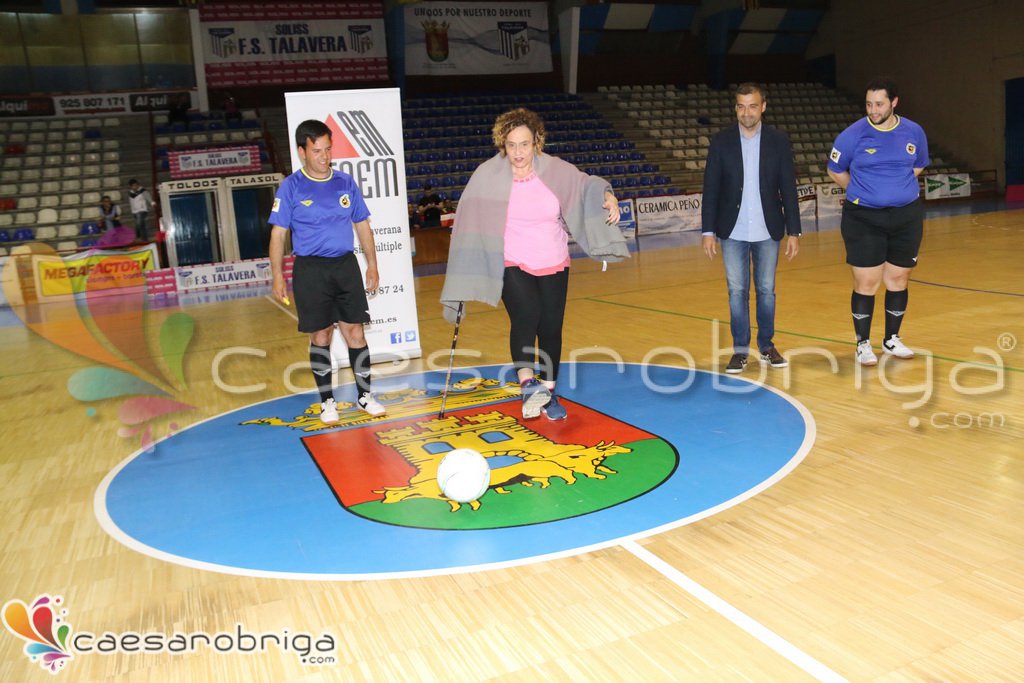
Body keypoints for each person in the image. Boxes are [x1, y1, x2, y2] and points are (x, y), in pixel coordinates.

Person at [440, 108, 628, 421]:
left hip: (554, 259)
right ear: (502, 144)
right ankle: (528, 384)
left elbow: (588, 185)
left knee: (551, 327)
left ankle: (549, 393)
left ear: (536, 143)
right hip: (510, 260)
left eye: (524, 144)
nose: (518, 152)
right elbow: (468, 215)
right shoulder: (487, 175)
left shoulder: (555, 170)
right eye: (511, 145)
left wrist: (608, 196)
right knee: (527, 315)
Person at [268, 119, 386, 423]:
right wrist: (277, 276)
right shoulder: (291, 186)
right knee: (320, 335)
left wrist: (372, 264)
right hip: (310, 270)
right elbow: (278, 235)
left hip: (345, 266)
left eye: (328, 149)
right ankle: (327, 401)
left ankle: (365, 395)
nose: (325, 156)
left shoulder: (345, 182)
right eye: (317, 151)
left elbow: (362, 225)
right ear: (302, 152)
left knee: (354, 331)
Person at [827, 78, 928, 366]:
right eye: (869, 104)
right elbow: (835, 170)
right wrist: (863, 191)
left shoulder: (914, 131)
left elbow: (918, 165)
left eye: (879, 104)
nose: (873, 110)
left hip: (906, 216)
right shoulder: (852, 135)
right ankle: (863, 343)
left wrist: (895, 189)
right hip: (864, 218)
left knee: (898, 279)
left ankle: (891, 339)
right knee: (867, 282)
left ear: (894, 102)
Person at [701, 82, 801, 374]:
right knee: (737, 292)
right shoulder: (721, 141)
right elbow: (711, 187)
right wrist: (708, 231)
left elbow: (788, 187)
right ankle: (740, 351)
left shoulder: (778, 141)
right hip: (732, 230)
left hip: (768, 229)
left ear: (763, 107)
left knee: (767, 291)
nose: (747, 112)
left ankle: (767, 346)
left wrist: (794, 231)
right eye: (741, 106)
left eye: (752, 106)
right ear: (736, 108)